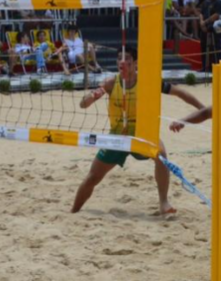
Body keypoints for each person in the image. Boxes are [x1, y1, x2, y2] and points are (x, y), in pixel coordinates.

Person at [71, 47, 175, 217]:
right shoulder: (111, 82)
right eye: (119, 58)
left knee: (161, 156)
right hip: (117, 137)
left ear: (135, 63)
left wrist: (201, 110)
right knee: (92, 178)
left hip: (141, 133)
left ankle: (164, 202)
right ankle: (73, 212)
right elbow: (83, 104)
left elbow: (179, 92)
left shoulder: (147, 81)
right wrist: (93, 95)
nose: (122, 62)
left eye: (126, 58)